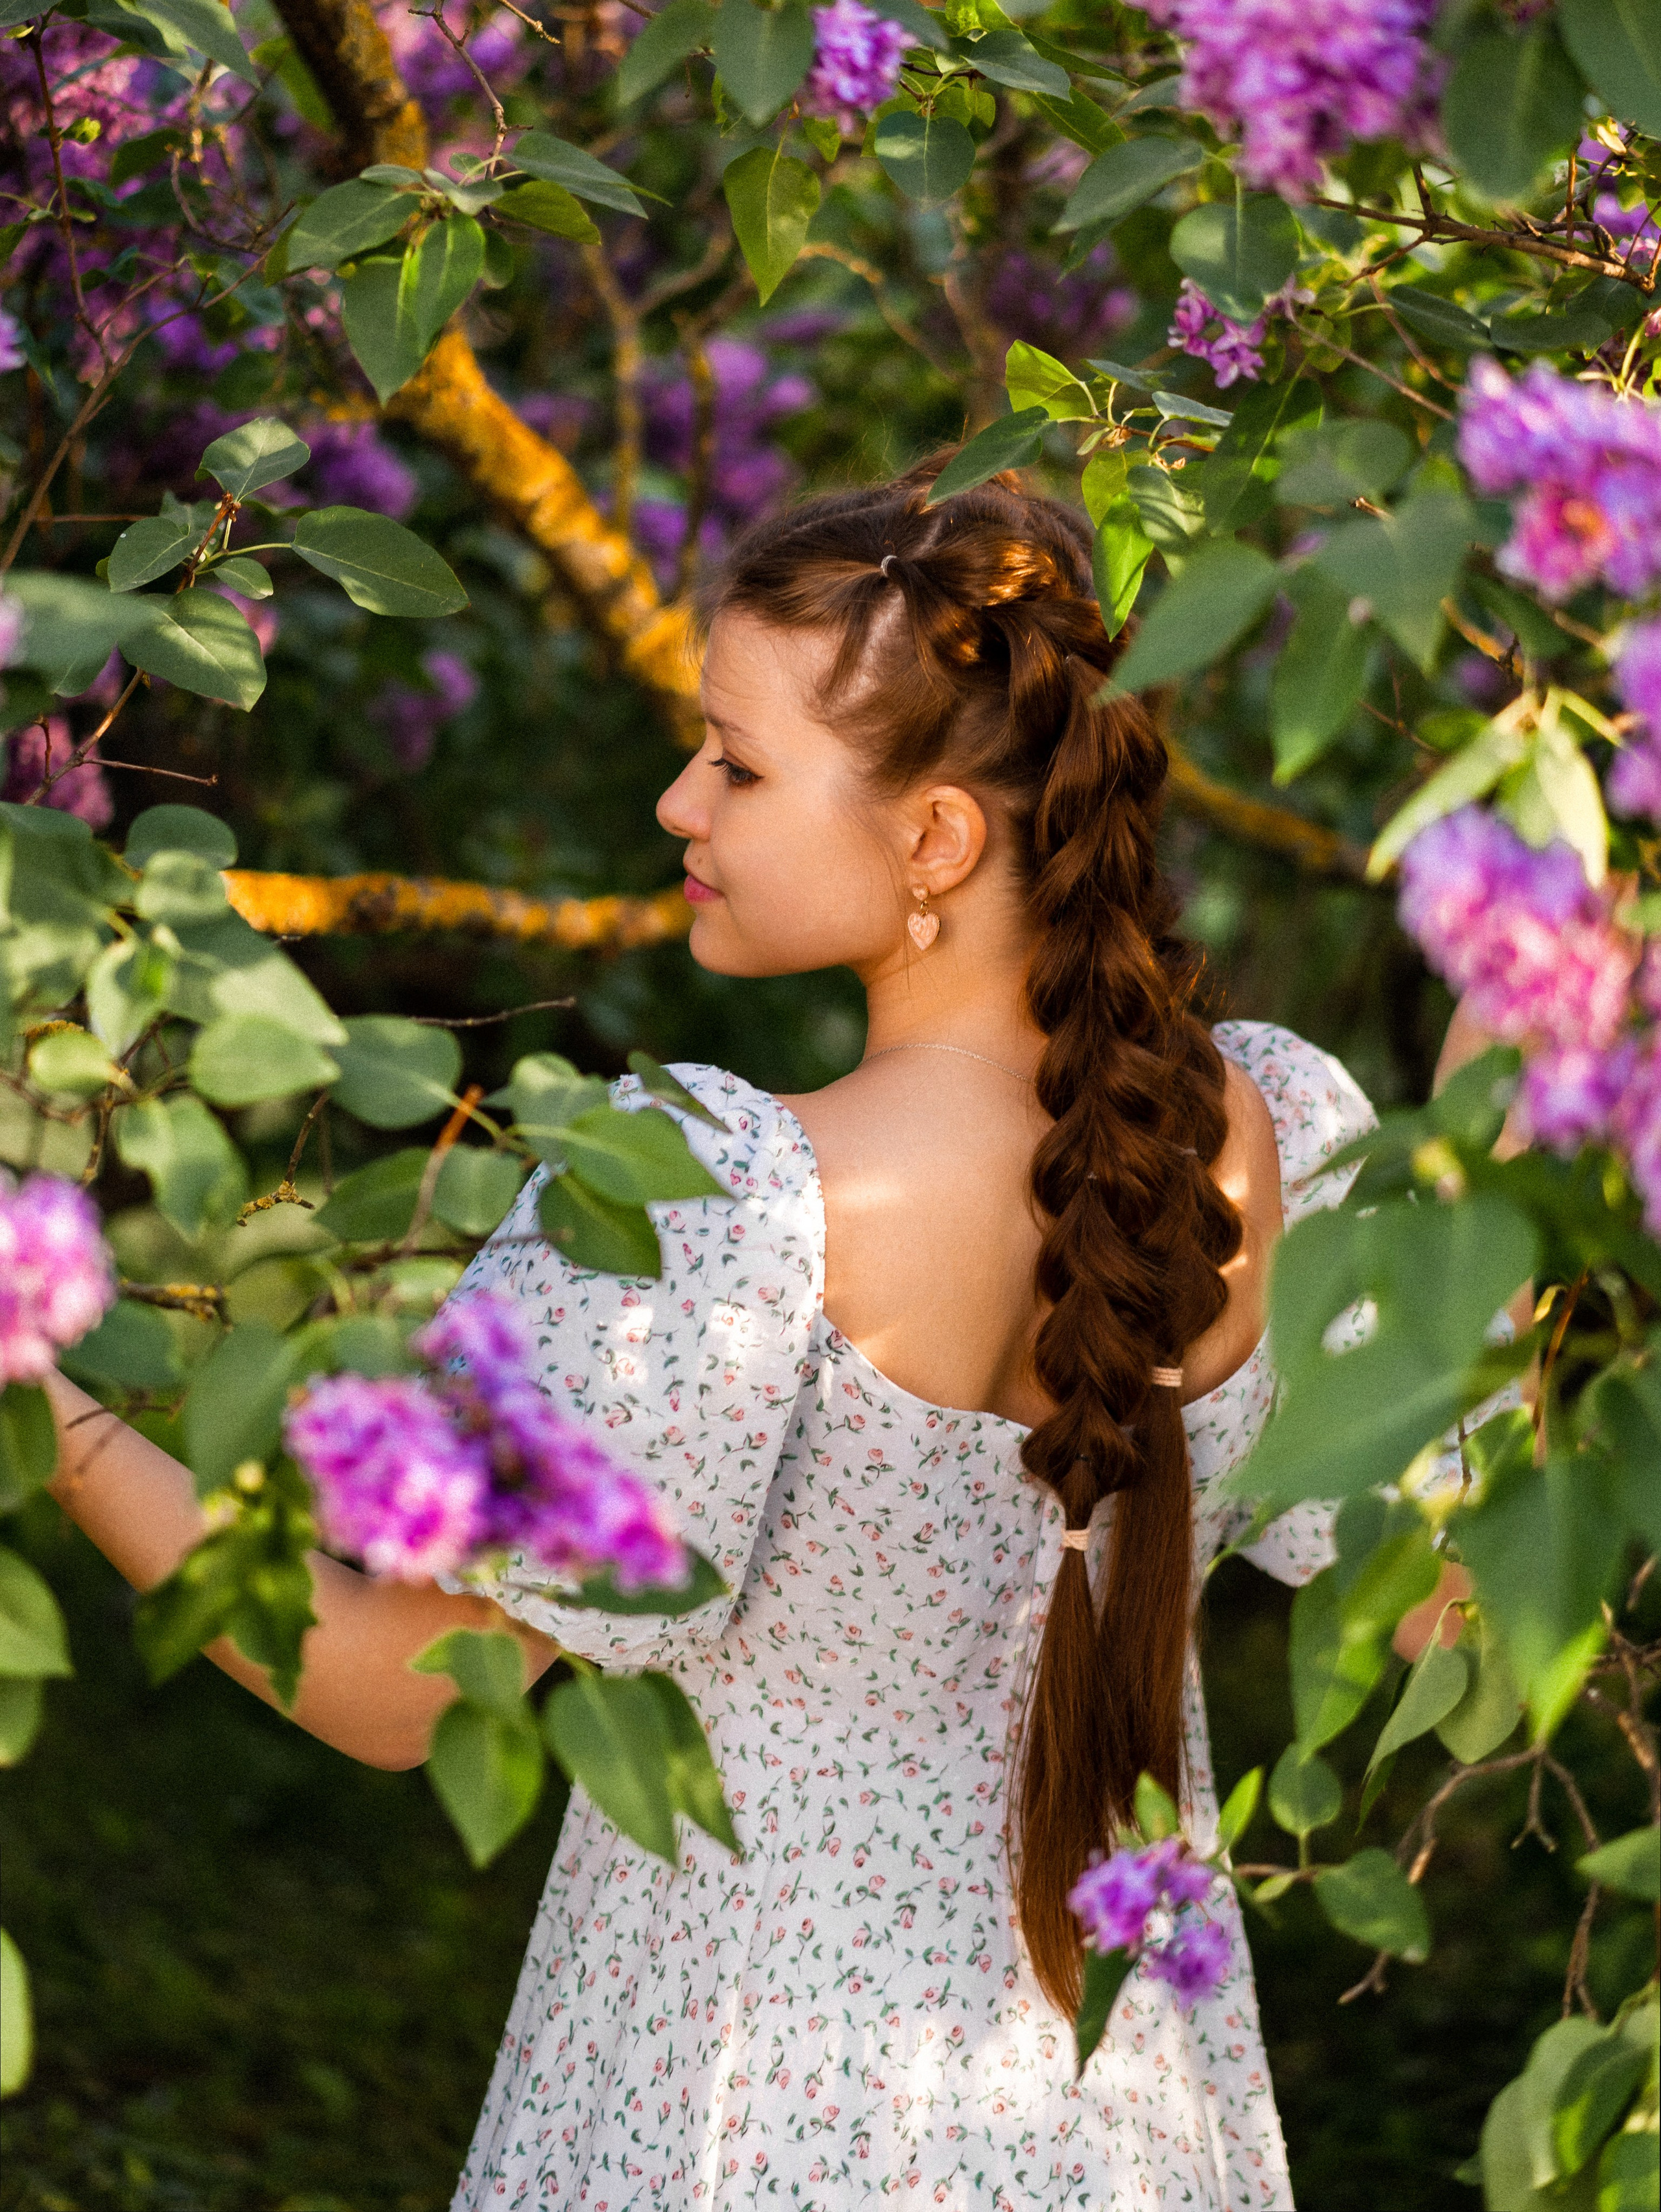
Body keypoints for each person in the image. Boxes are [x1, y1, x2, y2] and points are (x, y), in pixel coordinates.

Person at [49, 461, 1449, 2209]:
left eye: (737, 758)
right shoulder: (1280, 1153)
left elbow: (387, 1685)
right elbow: (1453, 1603)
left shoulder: (721, 1208)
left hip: (734, 2106)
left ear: (936, 837)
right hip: (1119, 2125)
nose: (675, 800)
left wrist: (52, 1414)